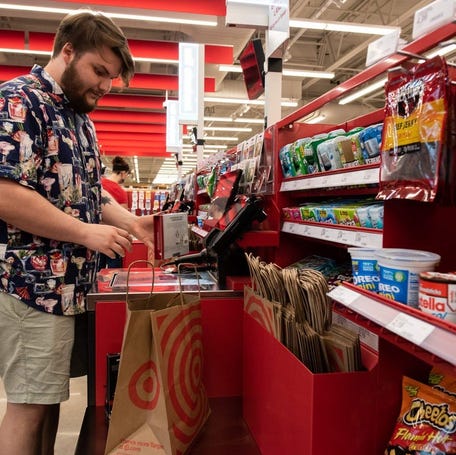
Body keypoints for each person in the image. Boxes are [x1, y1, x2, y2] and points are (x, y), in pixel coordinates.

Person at [0, 10, 155, 455]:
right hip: (30, 286)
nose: (106, 85)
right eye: (99, 71)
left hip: (70, 289)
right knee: (28, 407)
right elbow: (6, 193)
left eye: (112, 77)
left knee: (48, 404)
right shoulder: (18, 102)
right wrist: (86, 234)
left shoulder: (79, 118)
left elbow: (89, 195)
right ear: (67, 51)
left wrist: (131, 222)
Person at [100, 156, 131, 267]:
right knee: (114, 271)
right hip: (114, 238)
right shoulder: (120, 191)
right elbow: (123, 219)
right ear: (122, 173)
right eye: (127, 174)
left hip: (96, 236)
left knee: (98, 271)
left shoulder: (99, 184)